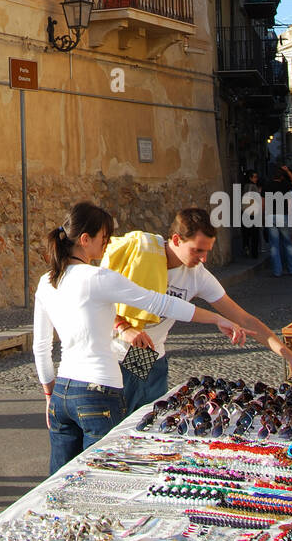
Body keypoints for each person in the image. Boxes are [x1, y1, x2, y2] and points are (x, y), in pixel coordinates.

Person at [32, 202, 249, 475]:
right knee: (101, 478)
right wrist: (216, 318)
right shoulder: (100, 277)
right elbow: (160, 304)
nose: (108, 244)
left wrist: (49, 393)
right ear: (85, 240)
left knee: (58, 481)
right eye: (104, 238)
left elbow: (40, 346)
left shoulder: (46, 280)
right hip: (98, 391)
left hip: (63, 390)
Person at [102, 208, 292, 418]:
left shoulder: (197, 276)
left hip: (150, 355)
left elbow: (244, 318)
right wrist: (124, 327)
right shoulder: (139, 253)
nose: (203, 259)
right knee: (115, 428)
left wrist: (289, 356)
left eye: (207, 251)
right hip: (116, 354)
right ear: (176, 240)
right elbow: (98, 298)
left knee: (150, 424)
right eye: (197, 250)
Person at [264, 163, 292, 276]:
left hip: (270, 216)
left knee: (274, 245)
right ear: (282, 177)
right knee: (287, 243)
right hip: (282, 215)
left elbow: (263, 203)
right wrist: (288, 171)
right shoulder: (284, 185)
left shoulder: (267, 185)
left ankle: (277, 271)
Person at [241, 170, 262, 258]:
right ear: (250, 178)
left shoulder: (244, 186)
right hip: (253, 213)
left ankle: (246, 247)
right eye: (254, 177)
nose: (256, 179)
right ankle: (254, 253)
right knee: (255, 234)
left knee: (245, 233)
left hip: (244, 212)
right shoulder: (253, 186)